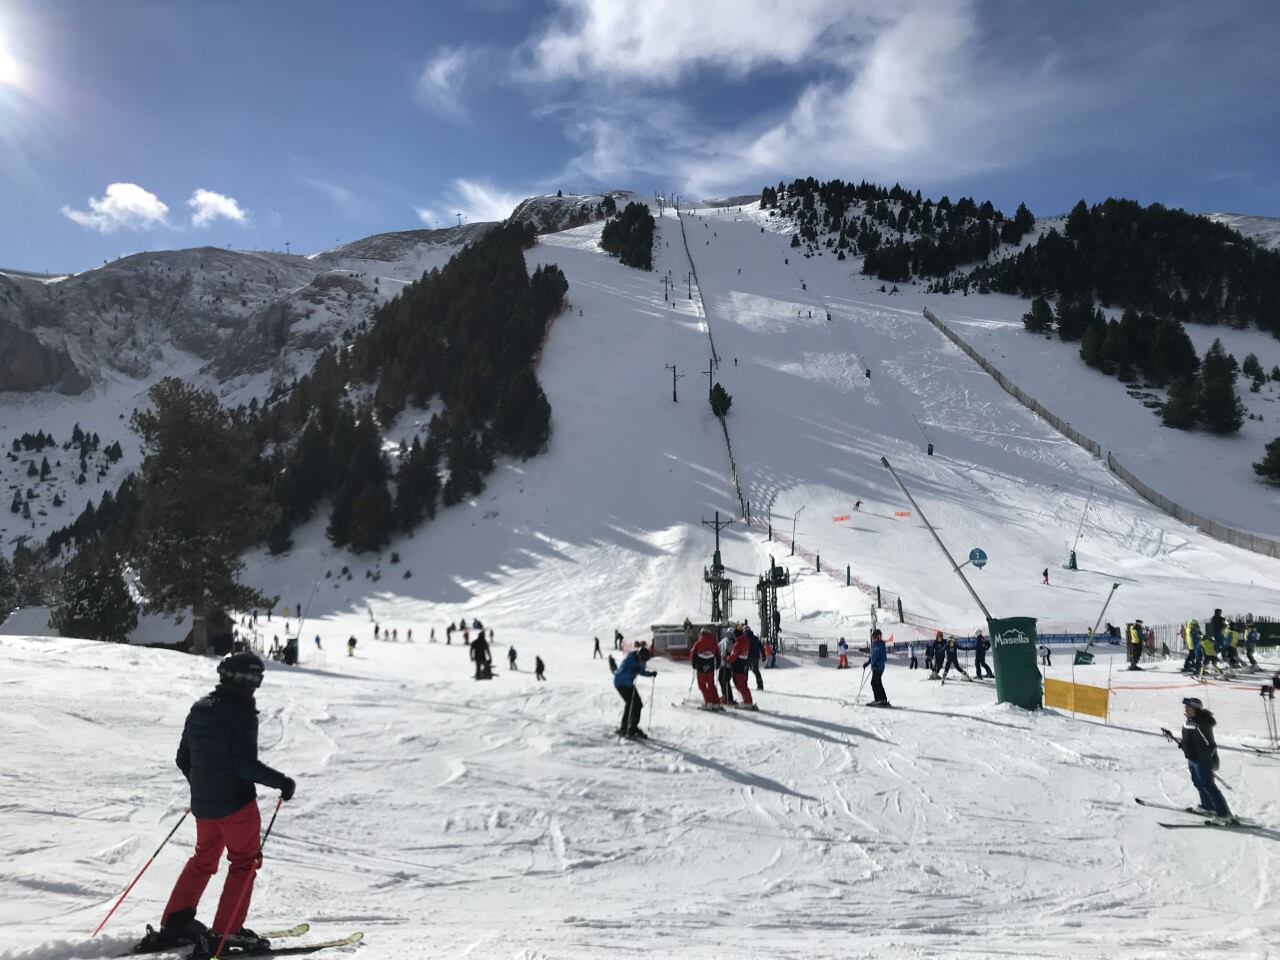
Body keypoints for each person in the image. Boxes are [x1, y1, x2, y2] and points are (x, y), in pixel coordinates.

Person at [135, 653, 295, 956]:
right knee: (244, 863)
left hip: (204, 807)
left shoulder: (200, 708)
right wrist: (282, 782)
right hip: (237, 807)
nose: (256, 685)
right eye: (255, 678)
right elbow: (246, 766)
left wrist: (204, 786)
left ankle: (175, 923)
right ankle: (227, 931)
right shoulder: (242, 713)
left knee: (203, 861)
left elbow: (184, 758)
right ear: (245, 680)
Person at [1163, 698, 1236, 824]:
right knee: (1198, 783)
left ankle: (1224, 814)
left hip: (1202, 760)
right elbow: (1191, 739)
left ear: (1196, 709)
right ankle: (1208, 807)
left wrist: (1204, 758)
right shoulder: (1190, 721)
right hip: (1192, 758)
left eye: (1189, 708)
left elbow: (1209, 744)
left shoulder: (1202, 723)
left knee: (1209, 786)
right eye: (1186, 708)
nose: (1186, 710)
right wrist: (1183, 744)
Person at [613, 646, 657, 738]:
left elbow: (640, 670)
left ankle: (633, 726)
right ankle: (625, 728)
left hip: (628, 684)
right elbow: (621, 672)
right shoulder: (629, 660)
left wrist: (650, 674)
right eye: (644, 660)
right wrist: (632, 671)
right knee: (630, 704)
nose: (644, 662)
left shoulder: (638, 660)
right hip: (621, 683)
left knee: (638, 704)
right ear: (640, 656)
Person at [689, 627, 723, 710]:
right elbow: (718, 654)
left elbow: (692, 653)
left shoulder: (698, 642)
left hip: (701, 666)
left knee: (702, 685)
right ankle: (716, 703)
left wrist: (693, 663)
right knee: (711, 684)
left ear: (702, 633)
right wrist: (718, 663)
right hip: (710, 666)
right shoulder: (714, 643)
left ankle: (708, 702)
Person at [725, 626, 757, 709]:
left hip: (737, 666)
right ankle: (747, 700)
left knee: (740, 684)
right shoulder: (745, 642)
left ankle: (747, 702)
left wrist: (726, 658)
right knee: (743, 684)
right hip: (743, 665)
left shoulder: (738, 644)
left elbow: (732, 657)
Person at [864, 628, 889, 706]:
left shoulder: (881, 645)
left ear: (879, 637)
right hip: (874, 668)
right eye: (873, 637)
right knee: (877, 683)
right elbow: (872, 657)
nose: (874, 638)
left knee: (874, 682)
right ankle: (883, 699)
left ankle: (879, 700)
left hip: (879, 668)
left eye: (875, 637)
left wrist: (877, 665)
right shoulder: (873, 645)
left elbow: (884, 658)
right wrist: (867, 663)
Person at [747, 625, 765, 691]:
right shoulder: (755, 638)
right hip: (755, 656)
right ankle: (760, 685)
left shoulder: (744, 637)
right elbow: (761, 647)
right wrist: (763, 655)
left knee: (745, 670)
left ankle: (744, 685)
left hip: (747, 656)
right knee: (756, 670)